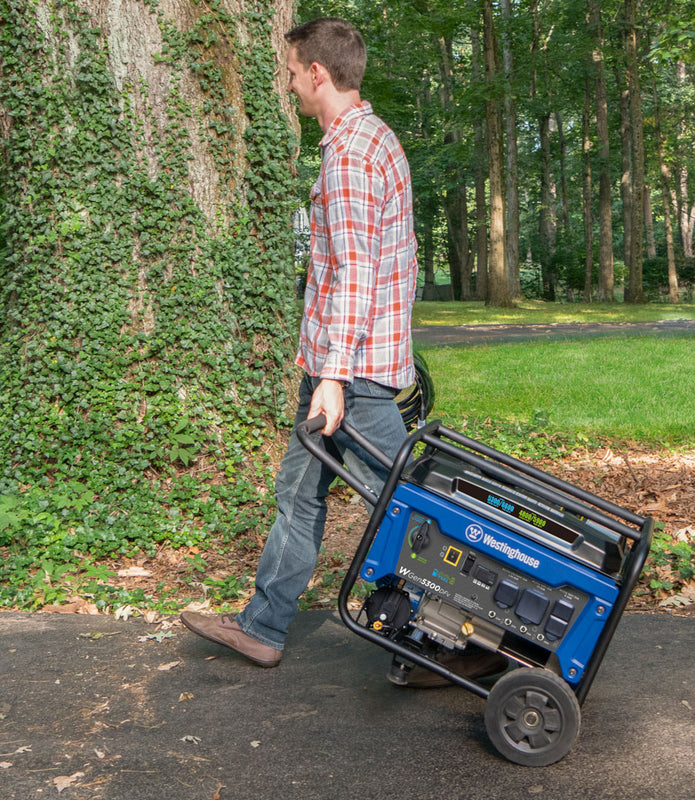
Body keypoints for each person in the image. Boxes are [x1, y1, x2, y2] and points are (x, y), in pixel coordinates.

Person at [180, 17, 505, 688]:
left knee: (416, 504)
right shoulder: (365, 140)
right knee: (301, 494)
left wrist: (331, 377)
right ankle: (263, 626)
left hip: (349, 376)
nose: (291, 84)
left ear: (319, 74)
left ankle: (477, 640)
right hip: (343, 367)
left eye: (294, 73)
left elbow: (356, 272)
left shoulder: (353, 153)